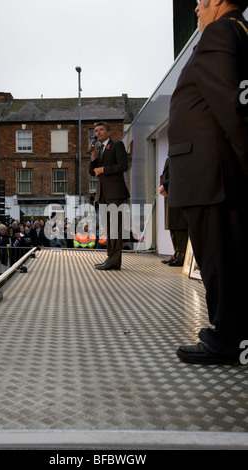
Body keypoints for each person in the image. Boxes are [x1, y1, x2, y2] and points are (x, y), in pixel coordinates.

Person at [166, 0, 248, 364]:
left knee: (217, 256)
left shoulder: (218, 32)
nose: (196, 6)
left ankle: (226, 338)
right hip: (213, 172)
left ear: (218, 1)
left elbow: (230, 108)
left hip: (208, 174)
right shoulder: (237, 31)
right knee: (225, 255)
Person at [89, 121, 130, 270]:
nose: (97, 132)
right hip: (103, 194)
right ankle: (110, 258)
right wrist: (93, 157)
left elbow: (124, 165)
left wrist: (104, 170)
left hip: (115, 194)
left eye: (101, 130)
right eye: (96, 130)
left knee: (115, 228)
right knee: (108, 229)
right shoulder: (98, 149)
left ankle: (114, 261)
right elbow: (92, 172)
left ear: (109, 132)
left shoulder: (117, 145)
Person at [159, 158, 188, 266]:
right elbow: (165, 174)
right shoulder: (169, 158)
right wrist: (163, 187)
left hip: (178, 193)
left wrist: (165, 185)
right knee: (172, 225)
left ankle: (182, 255)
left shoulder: (181, 156)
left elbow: (179, 174)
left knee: (179, 225)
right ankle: (176, 253)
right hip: (169, 193)